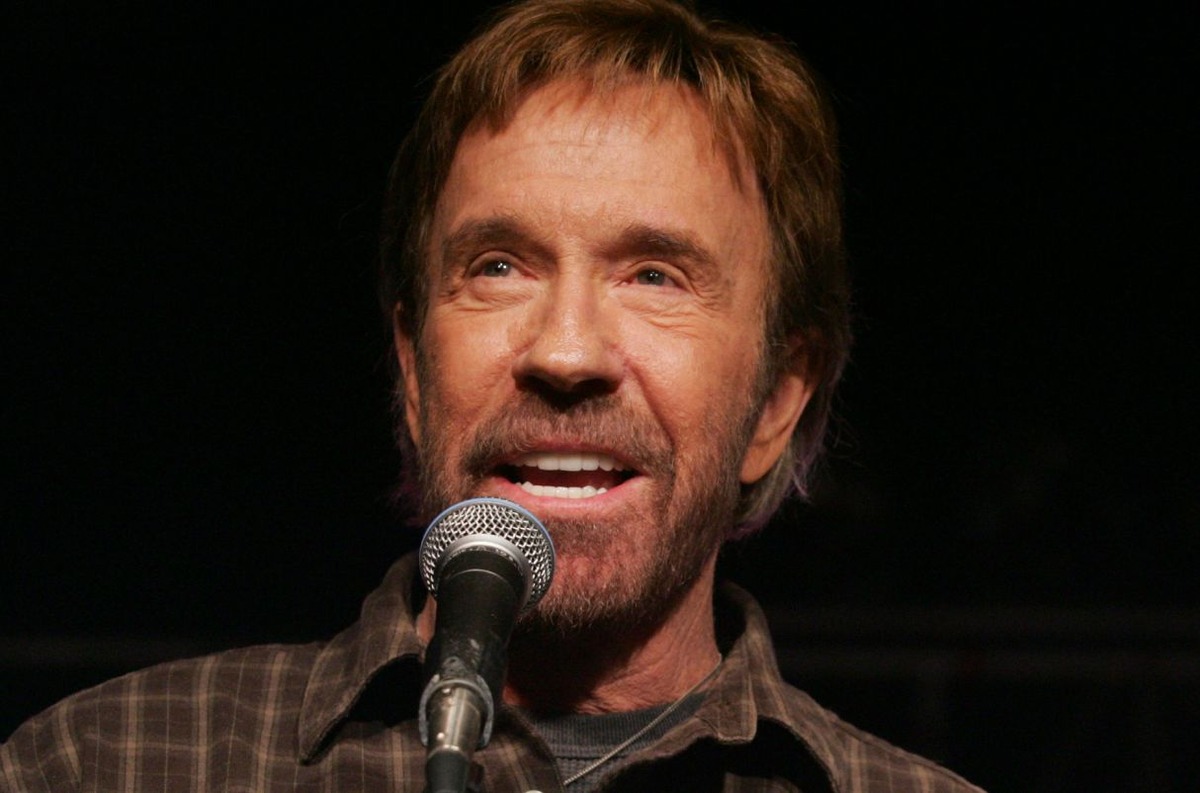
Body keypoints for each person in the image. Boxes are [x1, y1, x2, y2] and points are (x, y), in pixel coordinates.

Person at [2, 1, 984, 790]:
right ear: (413, 369)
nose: (566, 351)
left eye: (654, 275)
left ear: (776, 400)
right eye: (499, 266)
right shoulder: (104, 765)